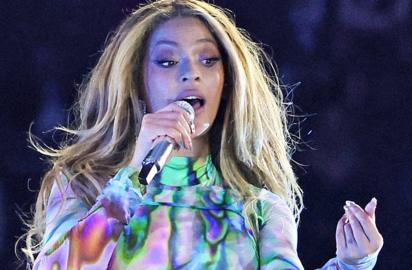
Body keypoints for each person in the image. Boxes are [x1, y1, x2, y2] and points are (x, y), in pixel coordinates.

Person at [22, 0, 383, 269]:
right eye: (167, 61)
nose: (190, 73)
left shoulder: (257, 208)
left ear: (226, 84)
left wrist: (352, 264)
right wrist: (131, 176)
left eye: (208, 60)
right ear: (137, 83)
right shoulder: (83, 186)